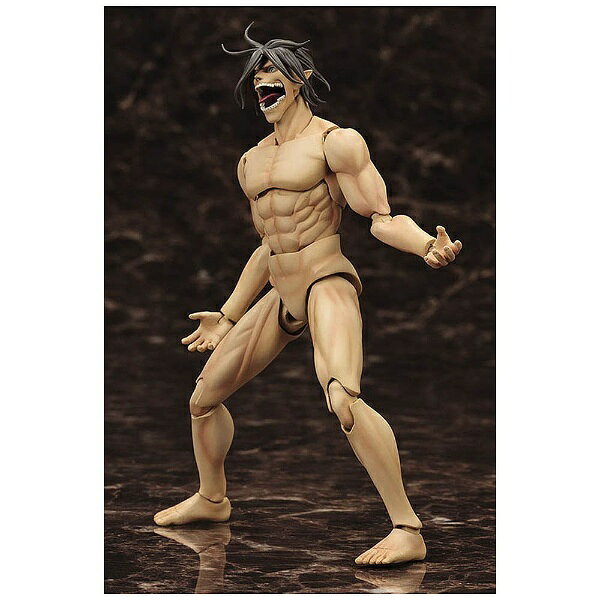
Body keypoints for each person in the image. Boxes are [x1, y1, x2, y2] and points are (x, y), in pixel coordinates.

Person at [154, 25, 463, 566]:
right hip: (281, 287)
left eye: (271, 74)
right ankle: (212, 499)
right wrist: (227, 315)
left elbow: (380, 217)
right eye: (255, 78)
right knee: (203, 401)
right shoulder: (251, 161)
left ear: (298, 80)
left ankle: (407, 528)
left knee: (342, 396)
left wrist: (423, 247)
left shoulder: (335, 142)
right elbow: (268, 246)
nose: (261, 84)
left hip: (325, 279)